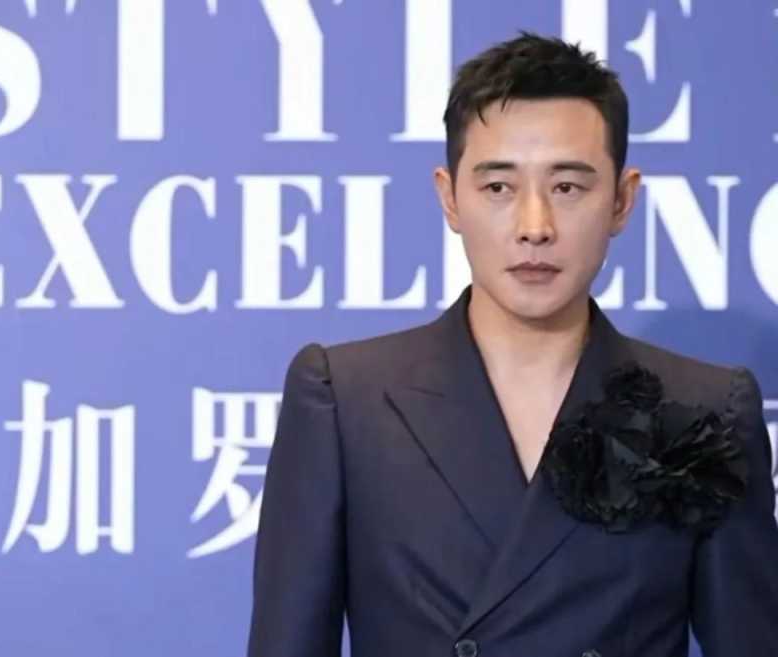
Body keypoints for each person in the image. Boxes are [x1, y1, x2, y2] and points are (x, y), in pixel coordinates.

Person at [247, 32, 778, 657]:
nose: (535, 227)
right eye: (498, 187)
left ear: (622, 199)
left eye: (568, 187)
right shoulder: (347, 399)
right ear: (449, 197)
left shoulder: (704, 412)